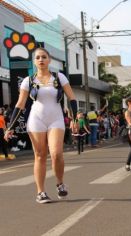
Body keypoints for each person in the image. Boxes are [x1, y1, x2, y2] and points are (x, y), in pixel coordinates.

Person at [4, 47, 77, 204]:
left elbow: (71, 98)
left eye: (44, 57)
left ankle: (59, 183)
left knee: (57, 153)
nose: (41, 59)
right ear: (34, 61)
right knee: (40, 155)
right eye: (37, 57)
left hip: (56, 119)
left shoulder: (59, 77)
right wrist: (10, 127)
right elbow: (20, 104)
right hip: (36, 120)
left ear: (49, 60)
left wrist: (74, 119)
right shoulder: (28, 81)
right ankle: (41, 192)